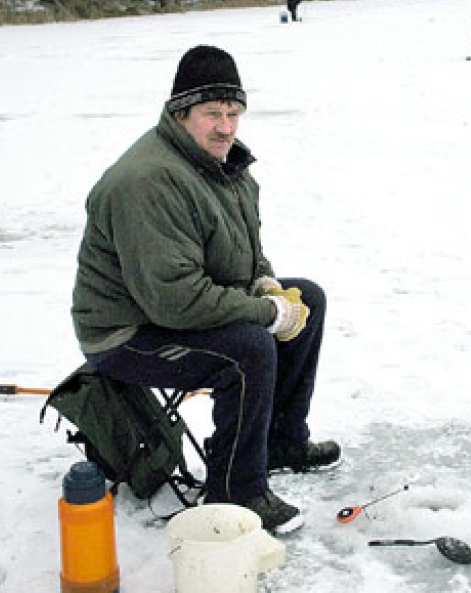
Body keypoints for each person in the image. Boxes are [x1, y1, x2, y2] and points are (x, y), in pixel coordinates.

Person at [70, 45, 340, 535]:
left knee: (309, 300)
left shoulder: (223, 167)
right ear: (180, 113)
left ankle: (280, 442)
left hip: (171, 309)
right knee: (249, 348)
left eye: (233, 113)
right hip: (125, 333)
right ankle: (237, 490)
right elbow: (175, 299)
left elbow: (241, 251)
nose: (226, 126)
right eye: (212, 113)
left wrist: (266, 283)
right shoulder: (148, 181)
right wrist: (264, 313)